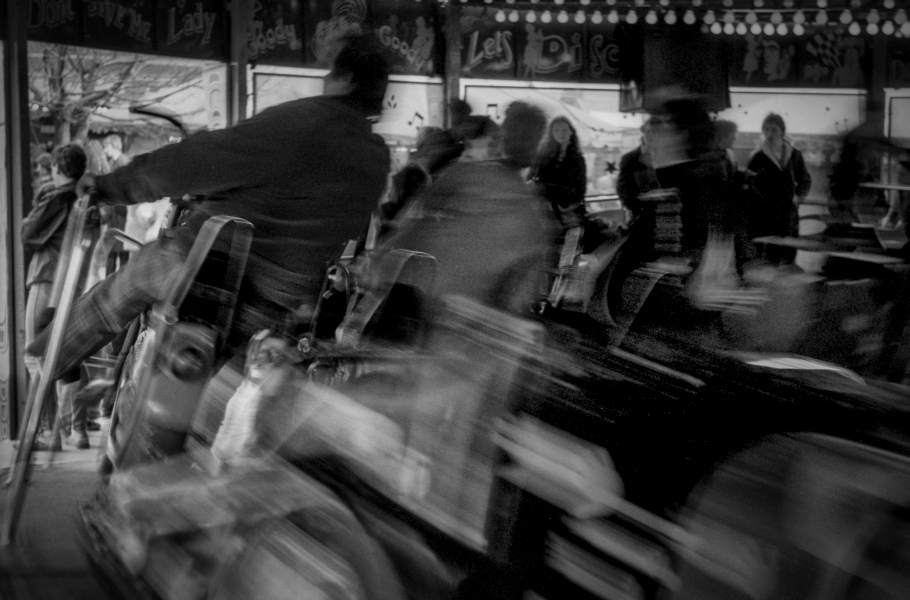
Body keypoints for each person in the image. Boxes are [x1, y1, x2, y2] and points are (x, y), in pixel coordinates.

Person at [28, 33, 392, 387]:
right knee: (191, 387)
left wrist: (110, 187)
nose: (325, 79)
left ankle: (50, 356)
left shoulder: (305, 122)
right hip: (271, 308)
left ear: (346, 78)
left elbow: (195, 162)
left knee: (129, 281)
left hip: (206, 273)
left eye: (331, 72)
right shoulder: (375, 160)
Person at [22, 144, 87, 450]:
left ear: (57, 169)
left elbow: (28, 234)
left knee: (36, 354)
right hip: (74, 283)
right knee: (68, 355)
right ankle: (77, 431)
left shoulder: (58, 198)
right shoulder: (84, 197)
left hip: (48, 278)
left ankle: (50, 433)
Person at [746, 113, 812, 266]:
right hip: (766, 213)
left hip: (789, 212)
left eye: (773, 129)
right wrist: (759, 203)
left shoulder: (794, 155)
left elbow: (805, 179)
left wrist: (799, 197)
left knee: (788, 251)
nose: (769, 134)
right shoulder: (757, 157)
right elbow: (750, 184)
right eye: (766, 130)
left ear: (782, 131)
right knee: (769, 253)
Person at [530, 117, 587, 231]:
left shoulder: (577, 159)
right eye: (556, 130)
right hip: (546, 212)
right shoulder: (544, 156)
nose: (560, 133)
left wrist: (565, 206)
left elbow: (581, 189)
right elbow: (534, 180)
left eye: (564, 130)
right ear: (551, 133)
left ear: (571, 132)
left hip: (569, 211)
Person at [616, 118, 659, 220]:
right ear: (643, 133)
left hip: (665, 211)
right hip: (640, 213)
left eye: (655, 132)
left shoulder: (666, 157)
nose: (651, 136)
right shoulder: (630, 159)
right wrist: (634, 208)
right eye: (648, 131)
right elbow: (623, 188)